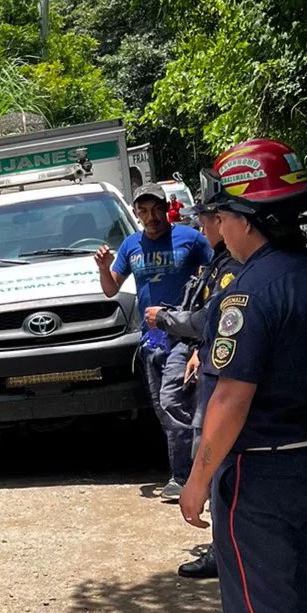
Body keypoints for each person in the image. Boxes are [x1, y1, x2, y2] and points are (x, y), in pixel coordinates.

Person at [179, 139, 307, 613]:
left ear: (246, 218)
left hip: (258, 476)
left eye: (222, 215)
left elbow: (231, 397)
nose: (219, 227)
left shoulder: (250, 292)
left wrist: (197, 479)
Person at [95, 183, 212, 498]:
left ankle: (187, 477)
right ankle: (198, 471)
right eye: (144, 211)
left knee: (172, 402)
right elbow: (110, 289)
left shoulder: (191, 239)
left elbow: (217, 276)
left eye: (157, 209)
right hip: (151, 341)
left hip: (184, 335)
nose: (152, 216)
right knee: (166, 409)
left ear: (166, 208)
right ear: (136, 214)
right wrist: (104, 269)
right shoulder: (131, 245)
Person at [144, 203, 239, 579]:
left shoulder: (233, 267)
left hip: (217, 365)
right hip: (200, 351)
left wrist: (165, 319)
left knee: (210, 445)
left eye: (206, 219)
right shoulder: (217, 260)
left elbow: (211, 320)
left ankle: (223, 550)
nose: (201, 225)